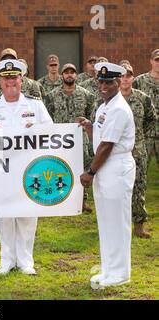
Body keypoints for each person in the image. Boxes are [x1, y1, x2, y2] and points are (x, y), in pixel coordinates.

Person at [0, 59, 53, 276]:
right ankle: (6, 259)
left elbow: (51, 130)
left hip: (29, 169)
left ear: (21, 80)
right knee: (4, 214)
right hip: (1, 169)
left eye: (15, 77)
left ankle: (26, 260)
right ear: (0, 81)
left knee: (27, 215)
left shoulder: (35, 105)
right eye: (6, 78)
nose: (11, 82)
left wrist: (36, 128)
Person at [78, 62, 135, 288]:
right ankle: (109, 269)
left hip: (115, 166)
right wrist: (89, 127)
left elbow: (107, 146)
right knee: (106, 221)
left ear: (118, 82)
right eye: (101, 82)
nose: (104, 86)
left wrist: (90, 172)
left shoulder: (119, 108)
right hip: (105, 167)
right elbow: (101, 137)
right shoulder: (104, 106)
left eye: (109, 82)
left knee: (117, 222)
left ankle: (120, 274)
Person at [44, 63, 95, 213]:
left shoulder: (86, 95)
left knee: (81, 168)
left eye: (72, 72)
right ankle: (60, 197)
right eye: (66, 72)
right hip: (59, 140)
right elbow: (48, 117)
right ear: (62, 76)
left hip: (80, 139)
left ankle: (81, 200)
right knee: (59, 167)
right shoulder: (51, 96)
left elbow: (91, 116)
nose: (69, 75)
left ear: (76, 76)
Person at [120, 62, 157, 238]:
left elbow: (151, 119)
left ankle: (139, 225)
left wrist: (140, 137)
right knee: (117, 188)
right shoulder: (109, 99)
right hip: (116, 153)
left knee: (139, 187)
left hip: (138, 152)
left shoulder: (143, 98)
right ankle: (118, 224)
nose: (125, 79)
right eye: (122, 75)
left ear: (132, 78)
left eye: (128, 75)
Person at [133, 48, 159, 169]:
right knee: (140, 170)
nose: (158, 63)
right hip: (145, 133)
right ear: (151, 61)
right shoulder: (139, 81)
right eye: (157, 60)